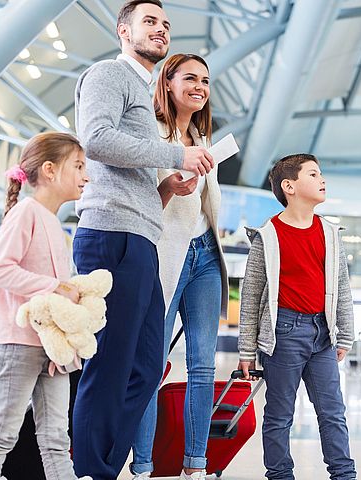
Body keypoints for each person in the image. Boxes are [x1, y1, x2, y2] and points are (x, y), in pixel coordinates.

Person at [71, 1, 213, 478]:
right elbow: (95, 139)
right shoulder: (109, 75)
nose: (161, 30)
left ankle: (102, 463)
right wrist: (176, 152)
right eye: (149, 22)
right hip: (111, 234)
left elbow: (128, 169)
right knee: (111, 365)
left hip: (140, 237)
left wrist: (166, 186)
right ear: (123, 30)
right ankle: (92, 468)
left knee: (148, 366)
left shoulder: (139, 86)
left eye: (166, 24)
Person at [0, 132, 91, 480]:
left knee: (55, 437)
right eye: (79, 166)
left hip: (55, 350)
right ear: (49, 170)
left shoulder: (52, 222)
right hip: (19, 344)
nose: (86, 175)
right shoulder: (26, 212)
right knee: (3, 431)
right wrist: (56, 287)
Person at [130, 54, 228, 480]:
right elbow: (138, 202)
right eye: (190, 78)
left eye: (205, 80)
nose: (200, 86)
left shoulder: (203, 141)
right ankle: (143, 468)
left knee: (203, 363)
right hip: (166, 253)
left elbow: (207, 204)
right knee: (150, 363)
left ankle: (196, 465)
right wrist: (168, 186)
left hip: (205, 253)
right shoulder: (149, 133)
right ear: (167, 82)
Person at [237, 154, 357, 480]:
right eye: (314, 174)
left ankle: (344, 475)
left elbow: (341, 287)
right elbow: (251, 296)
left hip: (323, 334)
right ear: (289, 186)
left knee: (333, 413)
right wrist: (247, 349)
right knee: (279, 415)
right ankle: (279, 476)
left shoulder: (330, 233)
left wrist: (344, 333)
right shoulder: (268, 235)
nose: (323, 179)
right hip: (283, 333)